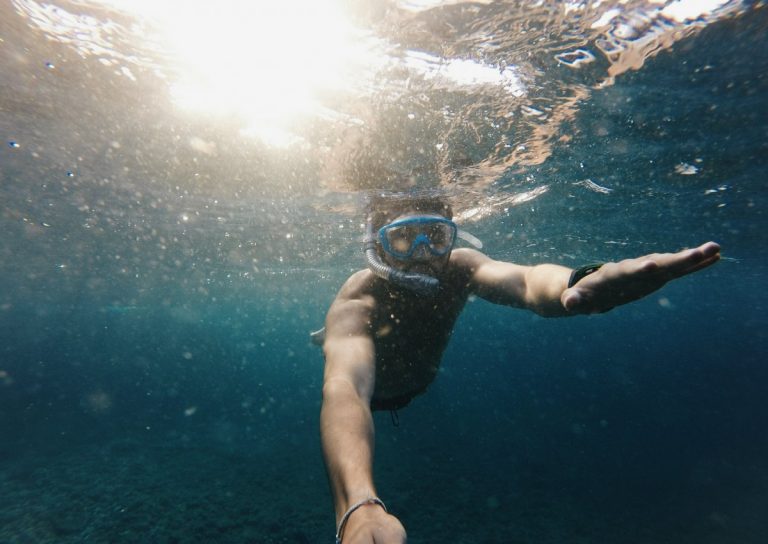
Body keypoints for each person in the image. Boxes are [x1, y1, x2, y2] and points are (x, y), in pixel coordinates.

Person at [319, 193, 720, 543]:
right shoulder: (359, 302)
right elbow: (346, 389)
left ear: (451, 237)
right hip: (379, 398)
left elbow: (526, 281)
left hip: (417, 387)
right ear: (377, 245)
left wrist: (579, 281)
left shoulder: (460, 268)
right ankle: (327, 335)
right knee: (341, 339)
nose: (424, 254)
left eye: (436, 237)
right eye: (404, 238)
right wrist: (358, 503)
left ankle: (326, 335)